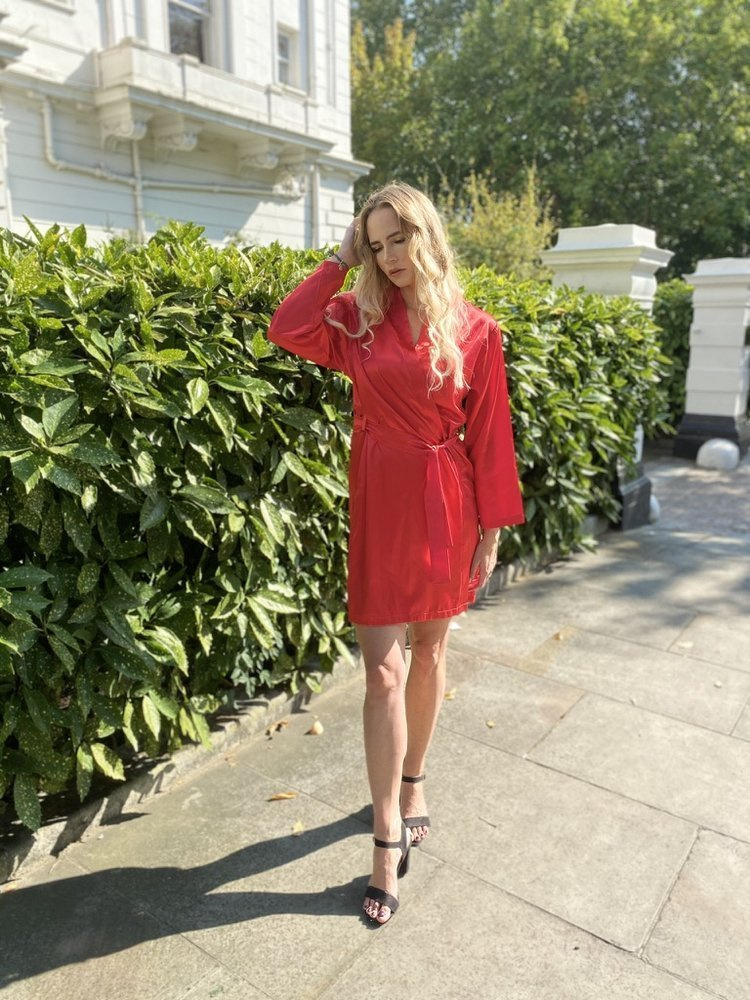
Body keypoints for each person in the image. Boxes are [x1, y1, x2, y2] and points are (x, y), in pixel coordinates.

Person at [268, 182, 524, 924]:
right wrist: (339, 260)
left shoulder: (476, 330)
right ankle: (386, 840)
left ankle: (413, 780)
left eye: (397, 239)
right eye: (375, 244)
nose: (388, 256)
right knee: (382, 672)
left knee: (431, 653)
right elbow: (287, 327)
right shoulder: (358, 321)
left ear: (426, 235)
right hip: (380, 505)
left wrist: (492, 529)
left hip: (447, 503)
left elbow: (491, 436)